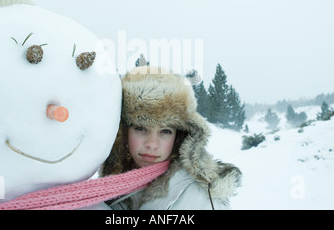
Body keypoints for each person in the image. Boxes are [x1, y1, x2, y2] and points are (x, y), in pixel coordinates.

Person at [99, 66, 242, 210]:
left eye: (165, 131)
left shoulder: (204, 196)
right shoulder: (97, 192)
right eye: (141, 128)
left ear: (179, 136)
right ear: (122, 132)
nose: (152, 144)